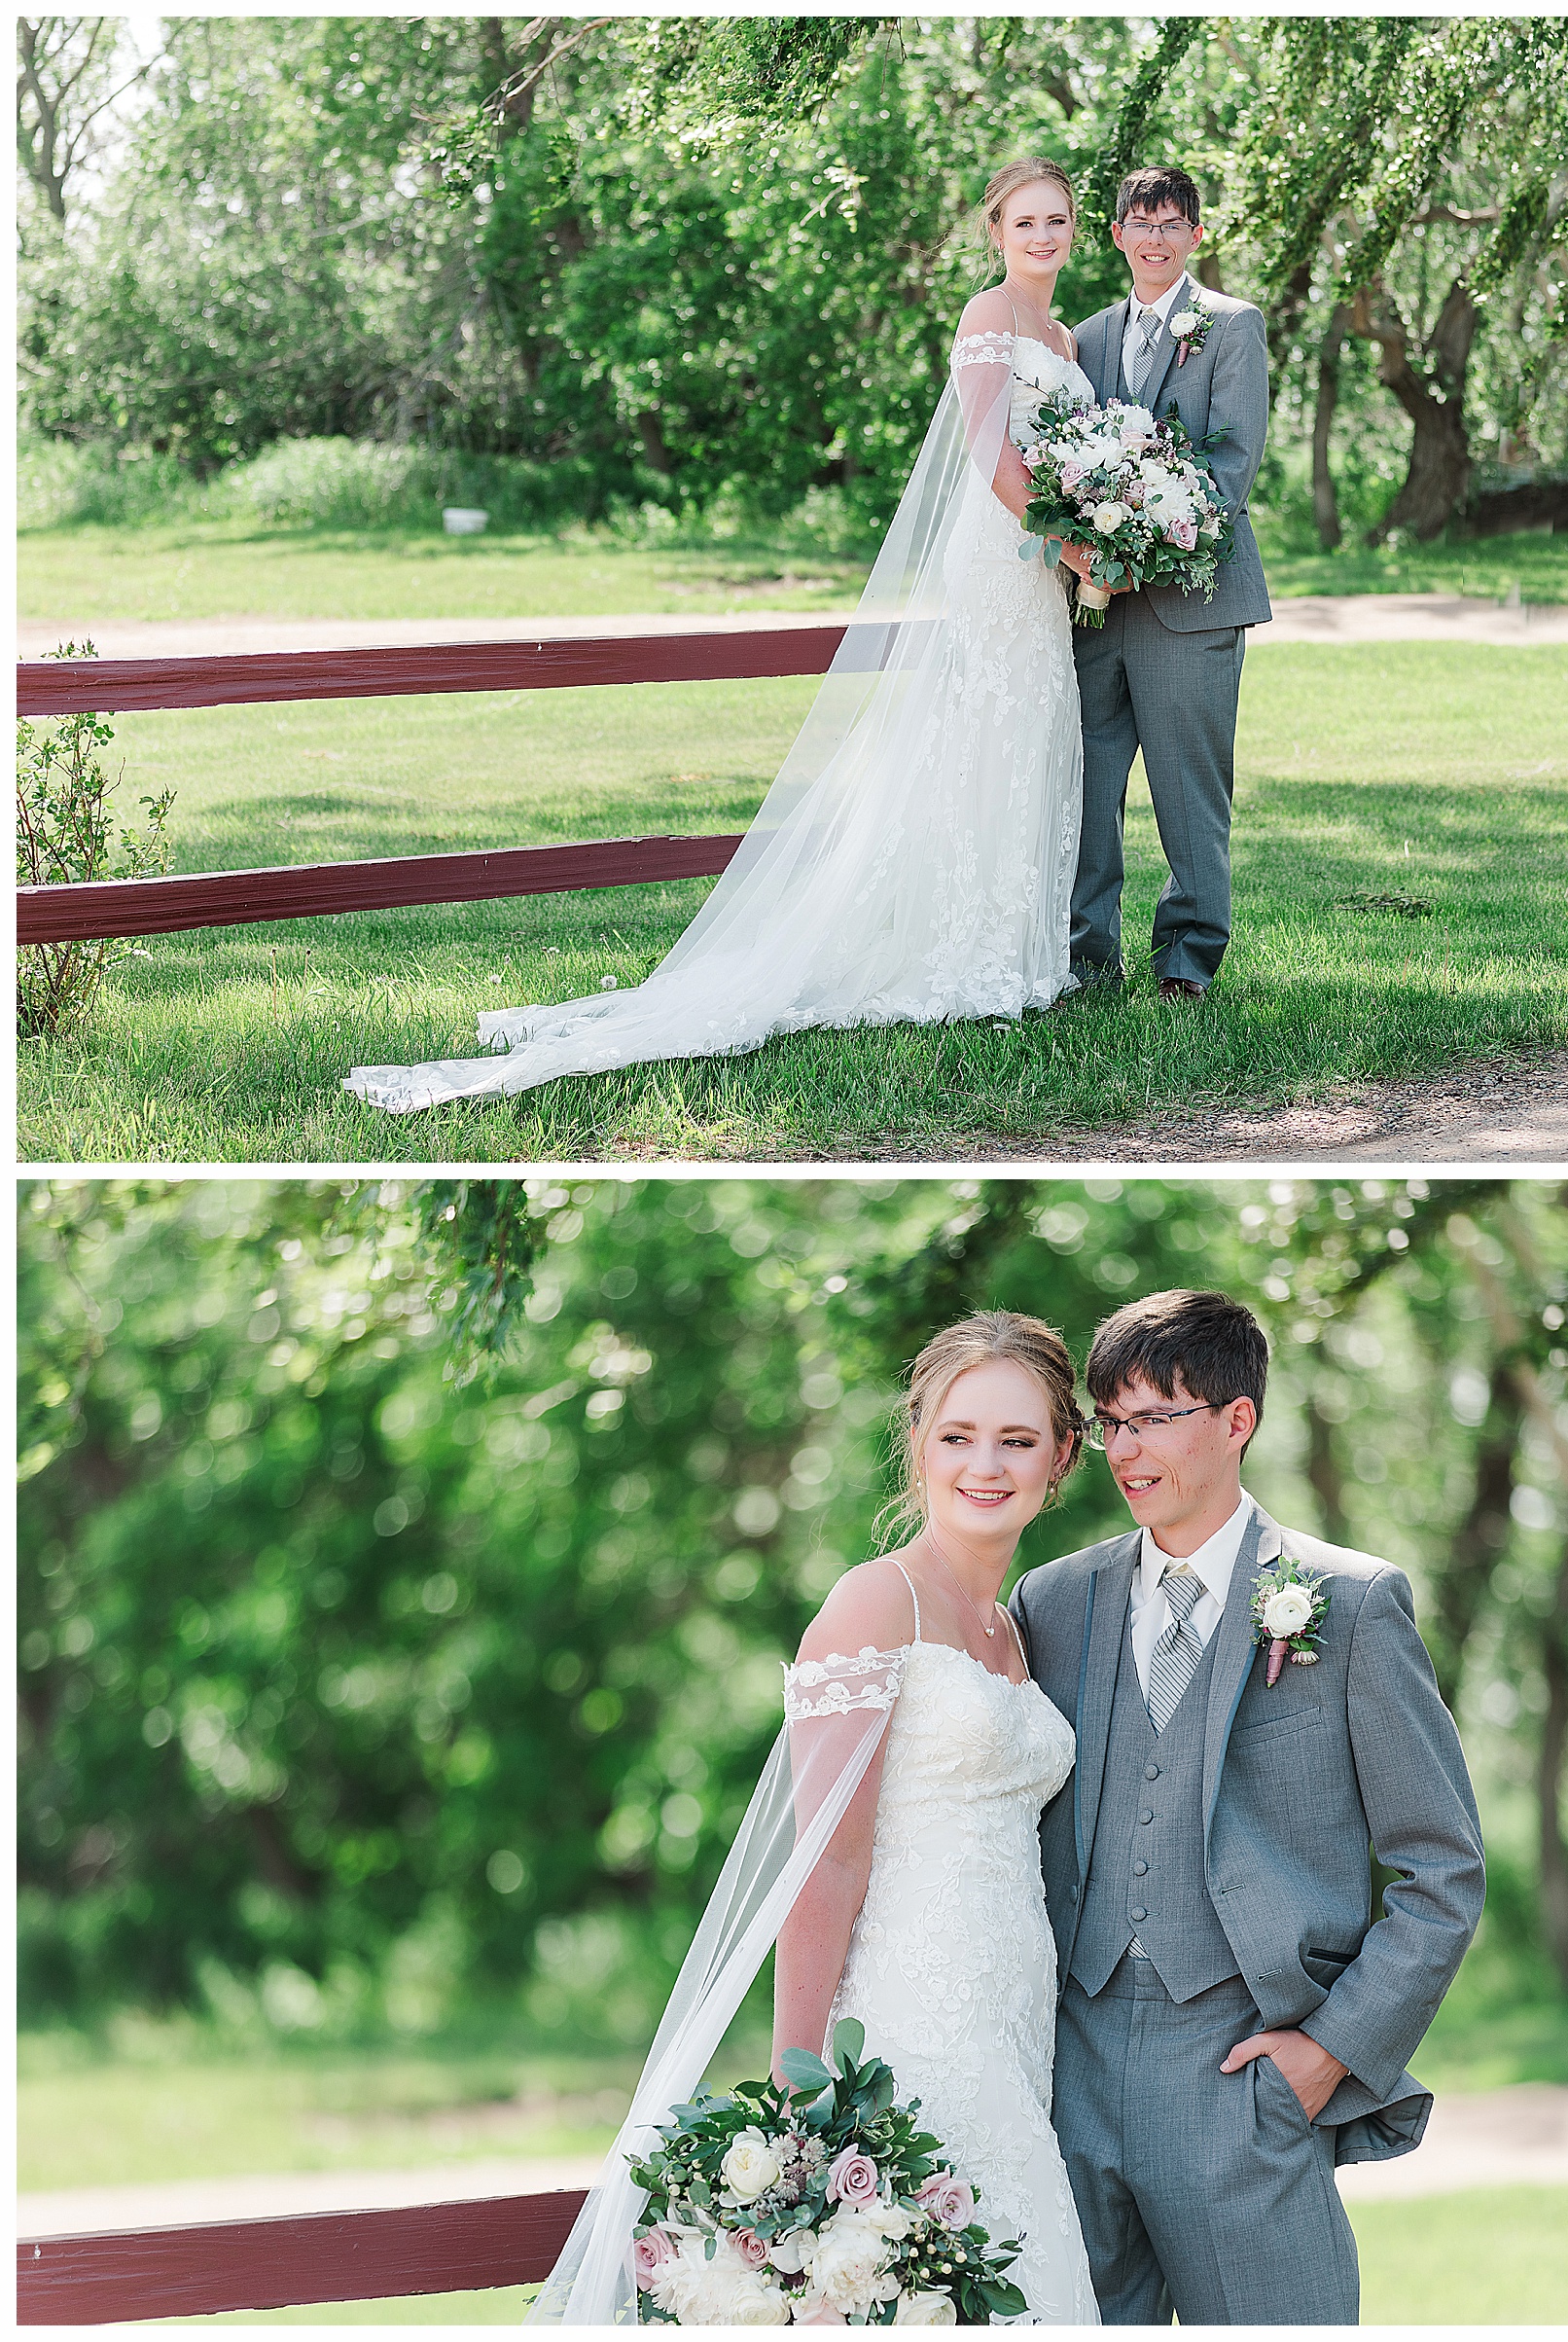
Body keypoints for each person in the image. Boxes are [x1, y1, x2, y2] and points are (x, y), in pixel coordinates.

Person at [345, 162, 1098, 1114]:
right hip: (999, 558)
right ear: (995, 232)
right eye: (1024, 221)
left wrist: (1090, 538)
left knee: (1026, 739)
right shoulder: (987, 318)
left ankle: (1010, 950)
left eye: (1057, 220)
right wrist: (1070, 542)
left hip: (1042, 567)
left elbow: (1064, 456)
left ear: (1075, 229)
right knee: (982, 737)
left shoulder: (1064, 335)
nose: (1042, 235)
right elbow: (991, 453)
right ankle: (958, 950)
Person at [527, 1313, 1100, 2324]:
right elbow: (825, 1859)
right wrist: (803, 2098)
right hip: (904, 2037)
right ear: (917, 1439)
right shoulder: (877, 1602)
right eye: (958, 1434)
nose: (986, 1463)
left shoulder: (1015, 1628)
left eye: (1017, 1439)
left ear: (1063, 1454)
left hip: (1014, 2033)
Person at [1010, 1289, 1485, 2327]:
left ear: (1237, 1421)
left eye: (1158, 1417)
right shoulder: (1051, 1604)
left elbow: (1442, 1868)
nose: (1129, 1449)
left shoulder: (1348, 1606)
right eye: (1114, 1421)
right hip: (1065, 2078)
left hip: (1243, 2076)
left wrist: (1330, 2053)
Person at [1068, 166, 1273, 1002]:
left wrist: (1150, 545)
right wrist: (1092, 552)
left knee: (1191, 792)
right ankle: (1085, 956)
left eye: (1171, 222)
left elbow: (1233, 460)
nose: (1155, 236)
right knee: (1085, 785)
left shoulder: (1232, 325)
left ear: (1196, 234)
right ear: (1116, 235)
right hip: (1091, 605)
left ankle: (1187, 959)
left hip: (1192, 602)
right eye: (1139, 222)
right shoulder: (1083, 337)